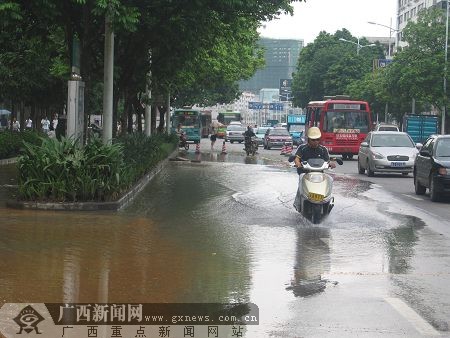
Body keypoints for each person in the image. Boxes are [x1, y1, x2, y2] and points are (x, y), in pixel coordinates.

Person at [293, 127, 336, 211]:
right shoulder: (302, 148)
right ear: (308, 139)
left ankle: (328, 200)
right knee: (301, 180)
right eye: (313, 140)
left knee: (330, 179)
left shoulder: (323, 149)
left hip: (320, 173)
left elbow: (328, 161)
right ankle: (298, 204)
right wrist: (297, 163)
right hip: (305, 173)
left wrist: (331, 164)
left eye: (317, 139)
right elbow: (296, 158)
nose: (315, 141)